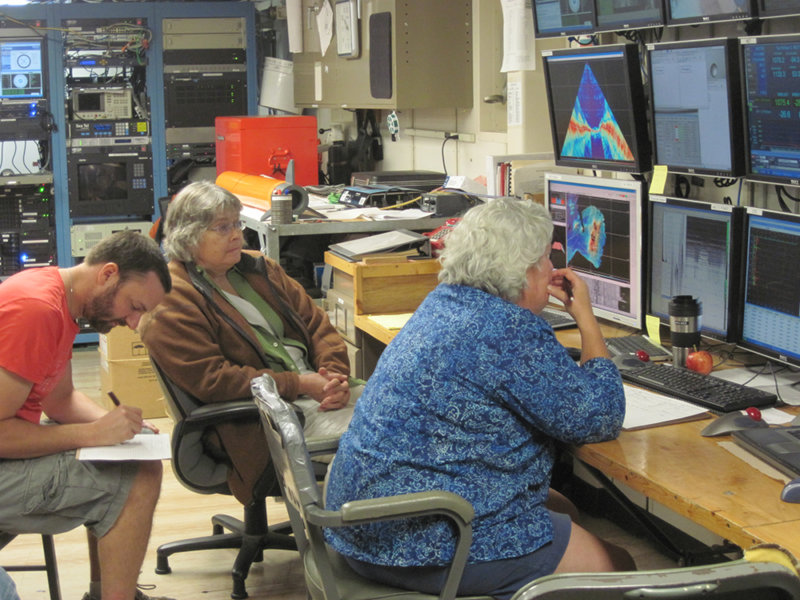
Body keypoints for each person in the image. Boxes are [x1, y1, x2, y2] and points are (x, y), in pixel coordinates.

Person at [324, 197, 635, 599]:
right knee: (621, 568)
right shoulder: (507, 330)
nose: (551, 270)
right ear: (522, 272)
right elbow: (600, 417)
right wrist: (587, 319)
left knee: (564, 512)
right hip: (420, 543)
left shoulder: (444, 302)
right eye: (544, 259)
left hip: (367, 525)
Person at [139, 180, 360, 504]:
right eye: (222, 227)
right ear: (189, 235)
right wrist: (297, 383)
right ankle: (350, 542)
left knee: (407, 416)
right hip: (266, 416)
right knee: (378, 442)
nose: (236, 235)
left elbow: (317, 326)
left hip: (317, 392)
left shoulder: (260, 269)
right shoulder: (171, 301)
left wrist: (333, 373)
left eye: (237, 224)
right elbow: (214, 380)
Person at [0, 231, 173, 600]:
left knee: (131, 461)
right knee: (136, 480)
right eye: (134, 306)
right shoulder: (38, 310)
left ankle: (104, 592)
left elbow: (60, 400)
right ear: (108, 274)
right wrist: (92, 434)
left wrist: (124, 429)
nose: (133, 323)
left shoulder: (61, 303)